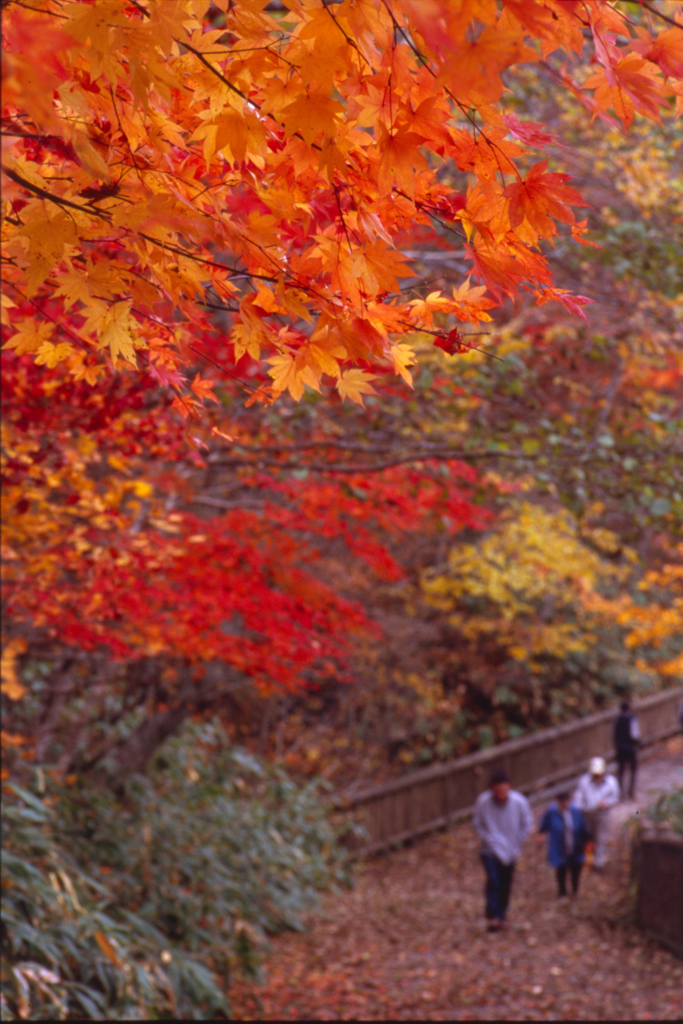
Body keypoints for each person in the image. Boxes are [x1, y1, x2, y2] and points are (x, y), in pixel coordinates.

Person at [472, 768, 534, 932]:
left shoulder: (519, 802)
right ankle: (492, 916)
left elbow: (526, 823)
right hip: (490, 850)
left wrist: (517, 842)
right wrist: (490, 839)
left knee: (506, 883)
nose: (501, 793)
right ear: (492, 789)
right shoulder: (483, 802)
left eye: (504, 789)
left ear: (509, 788)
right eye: (497, 790)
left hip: (511, 850)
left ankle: (502, 914)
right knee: (494, 880)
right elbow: (477, 823)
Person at [537, 791, 589, 898]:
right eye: (562, 802)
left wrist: (588, 840)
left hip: (575, 845)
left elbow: (583, 827)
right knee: (561, 869)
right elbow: (544, 825)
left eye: (566, 801)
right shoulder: (552, 812)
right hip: (559, 847)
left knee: (576, 870)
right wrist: (541, 834)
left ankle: (575, 889)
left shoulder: (576, 811)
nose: (564, 804)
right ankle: (562, 891)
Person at [572, 756, 619, 870]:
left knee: (601, 837)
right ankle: (586, 859)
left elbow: (615, 797)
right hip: (587, 813)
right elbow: (578, 797)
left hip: (602, 813)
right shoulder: (584, 781)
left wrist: (606, 803)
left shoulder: (611, 782)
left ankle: (599, 862)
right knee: (587, 836)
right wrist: (580, 808)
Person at [613, 699, 641, 800]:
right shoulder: (632, 718)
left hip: (620, 748)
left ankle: (620, 792)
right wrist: (639, 743)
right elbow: (634, 733)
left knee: (621, 770)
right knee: (633, 769)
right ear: (629, 708)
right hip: (630, 747)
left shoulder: (617, 719)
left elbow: (614, 734)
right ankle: (631, 791)